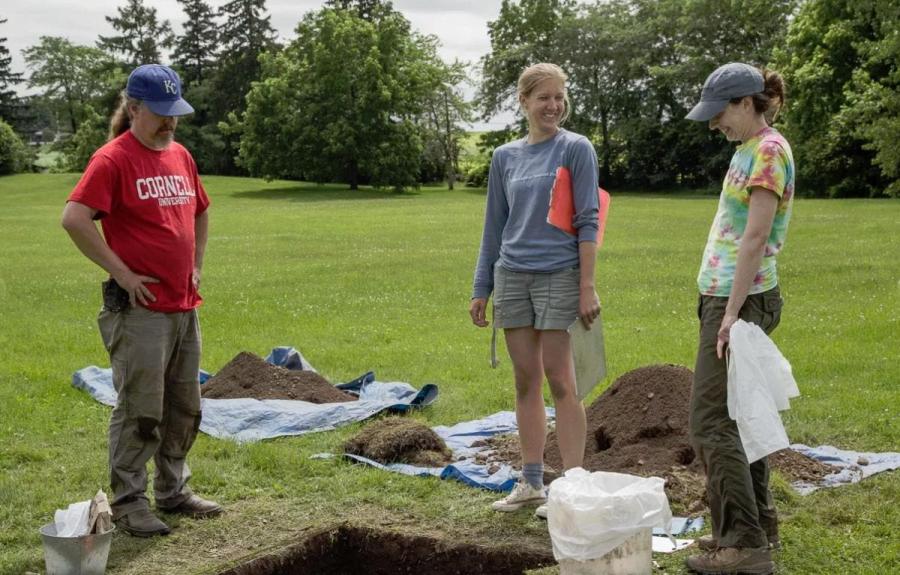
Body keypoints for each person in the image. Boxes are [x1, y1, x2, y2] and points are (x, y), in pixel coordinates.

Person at [61, 64, 221, 537]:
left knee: (184, 404)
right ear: (133, 108)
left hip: (183, 305)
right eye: (160, 113)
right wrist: (123, 273)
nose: (170, 121)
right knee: (140, 408)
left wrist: (196, 264)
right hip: (139, 312)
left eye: (175, 113)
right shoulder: (114, 159)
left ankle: (174, 490)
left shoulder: (182, 156)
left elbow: (202, 211)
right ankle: (129, 501)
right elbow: (74, 218)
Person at [470, 63, 600, 517]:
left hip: (560, 276)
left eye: (559, 96)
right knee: (526, 380)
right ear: (524, 102)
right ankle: (531, 482)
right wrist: (481, 286)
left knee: (563, 381)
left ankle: (572, 487)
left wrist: (587, 286)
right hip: (512, 277)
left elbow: (588, 220)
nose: (553, 105)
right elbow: (494, 226)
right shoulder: (505, 157)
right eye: (543, 97)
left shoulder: (576, 149)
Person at [683, 62, 795, 575]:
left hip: (740, 302)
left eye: (720, 114)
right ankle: (758, 526)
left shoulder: (768, 151)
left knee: (710, 422)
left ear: (747, 103)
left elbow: (755, 238)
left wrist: (728, 314)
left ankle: (742, 546)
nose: (714, 125)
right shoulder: (747, 150)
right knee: (736, 415)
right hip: (730, 299)